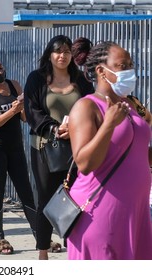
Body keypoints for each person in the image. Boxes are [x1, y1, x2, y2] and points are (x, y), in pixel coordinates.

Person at [66, 37, 152, 259]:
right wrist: (108, 125)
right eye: (122, 66)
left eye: (131, 65)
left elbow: (139, 154)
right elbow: (84, 163)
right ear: (101, 71)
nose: (129, 72)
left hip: (137, 213)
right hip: (101, 212)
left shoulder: (133, 104)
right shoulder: (87, 106)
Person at [23, 35, 94, 260]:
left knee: (76, 197)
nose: (62, 56)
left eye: (66, 51)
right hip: (45, 148)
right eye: (57, 51)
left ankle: (73, 248)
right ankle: (42, 250)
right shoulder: (37, 78)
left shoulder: (80, 79)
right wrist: (54, 128)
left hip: (77, 148)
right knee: (46, 199)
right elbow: (32, 111)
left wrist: (75, 127)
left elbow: (93, 105)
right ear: (49, 54)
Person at [0, 53, 36, 254]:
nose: (0, 71)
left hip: (15, 146)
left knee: (26, 192)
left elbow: (25, 118)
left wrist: (24, 106)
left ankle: (40, 237)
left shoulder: (14, 85)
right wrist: (11, 111)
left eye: (1, 66)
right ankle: (0, 239)